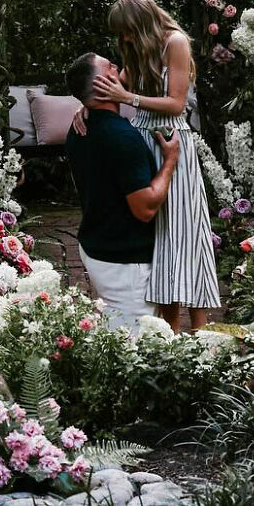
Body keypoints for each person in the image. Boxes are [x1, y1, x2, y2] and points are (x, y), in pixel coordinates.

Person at [74, 0, 221, 332]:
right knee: (160, 240)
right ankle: (167, 329)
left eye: (126, 31)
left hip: (170, 140)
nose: (123, 39)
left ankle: (200, 332)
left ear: (140, 23)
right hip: (142, 140)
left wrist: (130, 99)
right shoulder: (136, 47)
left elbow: (177, 104)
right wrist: (85, 106)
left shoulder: (176, 43)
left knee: (186, 234)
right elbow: (112, 86)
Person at [65, 51, 180, 333]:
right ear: (104, 83)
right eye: (111, 66)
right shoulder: (121, 137)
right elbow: (145, 208)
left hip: (97, 246)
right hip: (123, 260)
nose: (119, 67)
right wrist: (169, 162)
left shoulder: (79, 127)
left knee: (114, 331)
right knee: (134, 348)